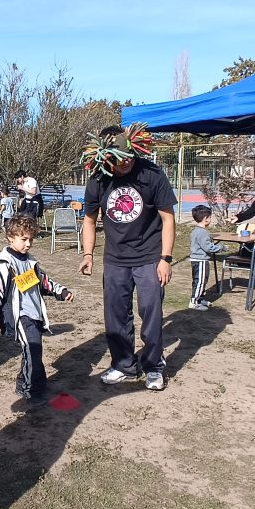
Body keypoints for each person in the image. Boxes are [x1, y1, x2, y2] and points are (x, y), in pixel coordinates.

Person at [78, 123, 176, 392]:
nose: (126, 165)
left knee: (151, 314)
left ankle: (154, 366)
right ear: (105, 157)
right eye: (119, 162)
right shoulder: (98, 179)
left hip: (149, 256)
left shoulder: (152, 174)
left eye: (129, 158)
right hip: (115, 259)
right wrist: (88, 254)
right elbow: (89, 219)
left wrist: (165, 258)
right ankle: (124, 364)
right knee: (116, 316)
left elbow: (168, 219)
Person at [0, 215, 73, 408]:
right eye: (23, 239)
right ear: (10, 237)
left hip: (35, 314)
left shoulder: (31, 261)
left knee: (33, 351)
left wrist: (61, 291)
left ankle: (33, 383)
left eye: (31, 239)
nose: (28, 244)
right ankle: (30, 389)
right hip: (20, 316)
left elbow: (44, 282)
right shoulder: (4, 263)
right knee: (32, 349)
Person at [188, 205, 224, 311]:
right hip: (201, 261)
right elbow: (208, 247)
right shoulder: (202, 232)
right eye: (210, 217)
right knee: (200, 281)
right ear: (205, 219)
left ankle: (200, 298)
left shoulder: (195, 230)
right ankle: (194, 302)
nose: (210, 219)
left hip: (197, 260)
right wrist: (221, 247)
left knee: (202, 280)